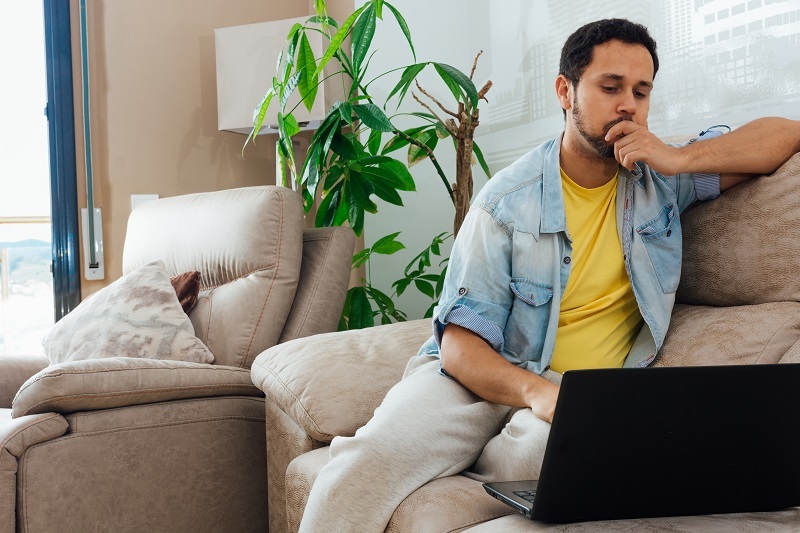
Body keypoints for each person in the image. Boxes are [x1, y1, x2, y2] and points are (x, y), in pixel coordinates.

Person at [299, 18, 800, 532]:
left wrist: (680, 157)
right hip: (476, 379)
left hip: (576, 395)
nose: (628, 104)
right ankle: (454, 448)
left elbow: (785, 134)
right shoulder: (506, 203)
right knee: (366, 461)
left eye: (641, 91)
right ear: (566, 91)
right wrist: (537, 393)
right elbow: (460, 349)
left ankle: (480, 458)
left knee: (543, 461)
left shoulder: (663, 183)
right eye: (610, 87)